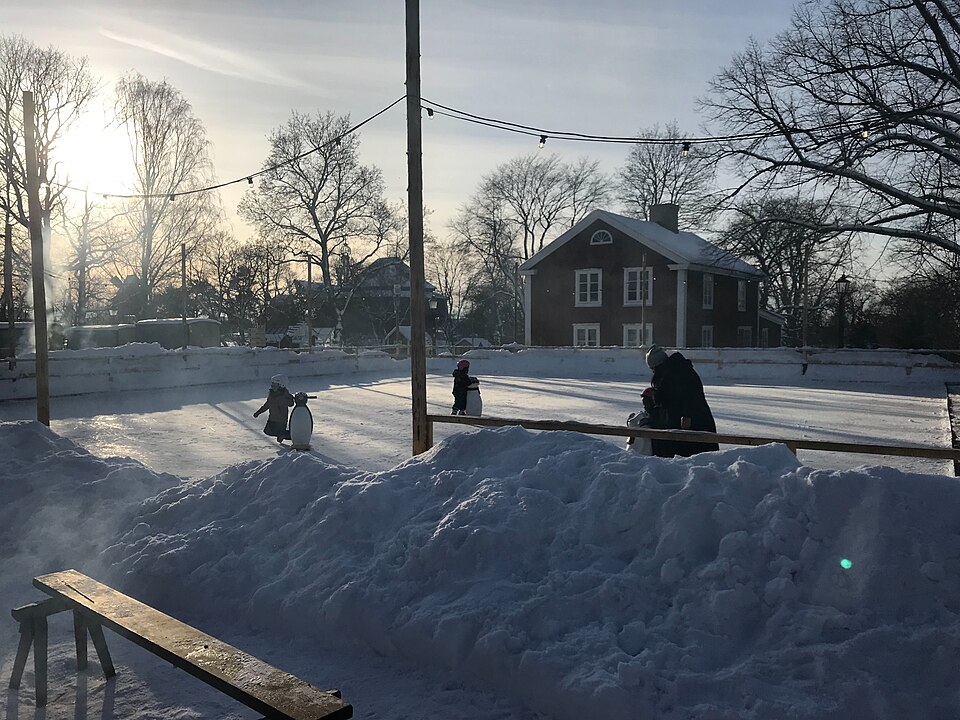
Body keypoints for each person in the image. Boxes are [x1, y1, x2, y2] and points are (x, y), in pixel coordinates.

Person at [645, 344, 719, 457]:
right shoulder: (676, 370)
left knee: (693, 454)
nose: (653, 372)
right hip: (686, 420)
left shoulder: (676, 373)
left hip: (691, 422)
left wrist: (687, 415)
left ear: (657, 366)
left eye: (652, 369)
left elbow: (689, 396)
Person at [254, 374, 295, 443]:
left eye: (275, 384)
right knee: (267, 431)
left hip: (281, 420)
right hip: (272, 418)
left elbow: (291, 403)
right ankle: (281, 435)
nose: (272, 386)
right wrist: (259, 412)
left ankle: (292, 435)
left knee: (277, 432)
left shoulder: (284, 394)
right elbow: (267, 404)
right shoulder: (272, 393)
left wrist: (286, 398)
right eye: (272, 384)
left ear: (281, 385)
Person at [625, 386, 656, 454]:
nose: (644, 405)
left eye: (647, 402)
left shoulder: (659, 416)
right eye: (643, 402)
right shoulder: (641, 415)